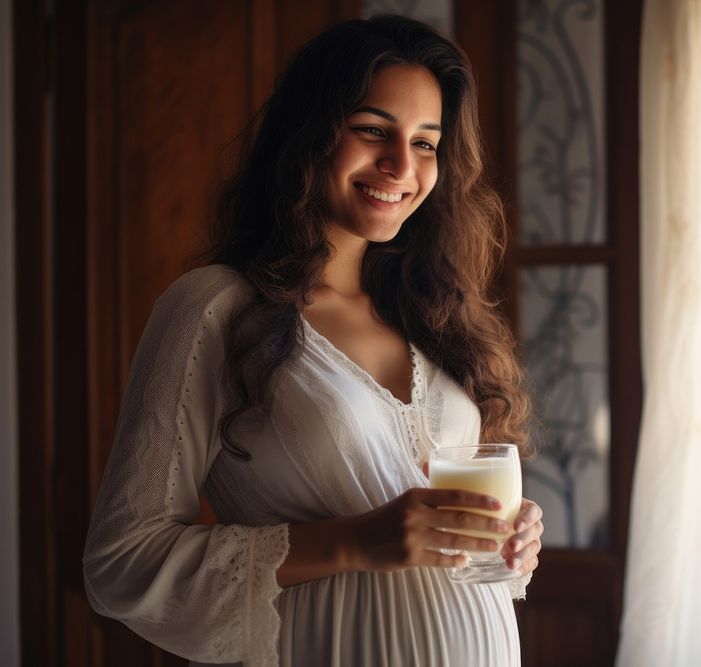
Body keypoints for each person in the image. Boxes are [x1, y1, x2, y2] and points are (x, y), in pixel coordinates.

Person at [82, 15, 543, 667]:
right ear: (310, 134)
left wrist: (506, 537)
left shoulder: (433, 314)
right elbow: (122, 562)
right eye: (373, 130)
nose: (400, 165)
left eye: (426, 143)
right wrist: (357, 540)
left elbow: (443, 532)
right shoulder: (216, 309)